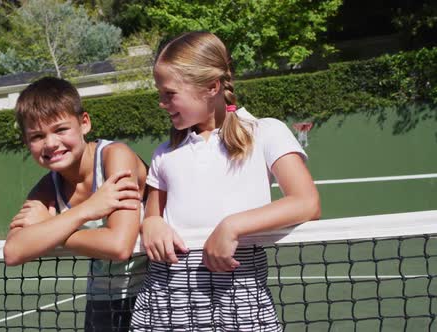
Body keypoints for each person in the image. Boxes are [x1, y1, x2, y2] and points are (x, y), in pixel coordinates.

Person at [130, 31, 321, 331]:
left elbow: (307, 203)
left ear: (212, 87)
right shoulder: (165, 153)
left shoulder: (266, 132)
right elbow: (152, 214)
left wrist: (232, 226)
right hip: (169, 299)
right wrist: (151, 224)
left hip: (241, 298)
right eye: (160, 93)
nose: (161, 103)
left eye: (169, 93)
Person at [3, 77, 147, 332]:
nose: (50, 143)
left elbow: (119, 245)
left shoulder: (115, 156)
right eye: (37, 136)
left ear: (84, 123)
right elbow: (14, 251)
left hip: (154, 292)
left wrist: (51, 228)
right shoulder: (48, 186)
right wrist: (85, 211)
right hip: (101, 298)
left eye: (60, 130)